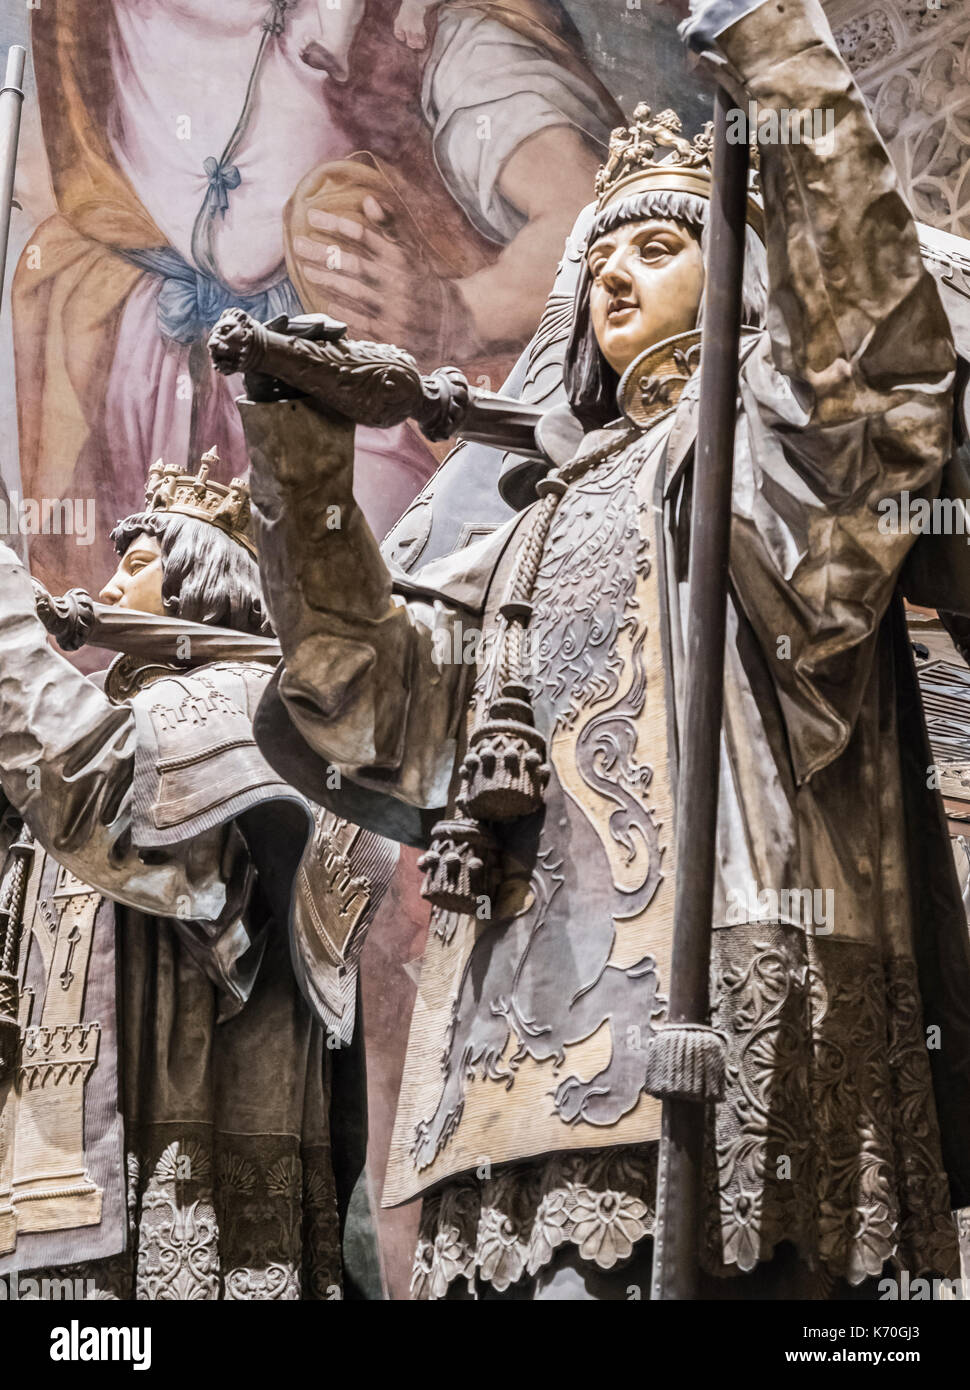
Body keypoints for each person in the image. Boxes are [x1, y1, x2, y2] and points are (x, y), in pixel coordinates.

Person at [208, 0, 970, 1298]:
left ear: (736, 279)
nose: (613, 271)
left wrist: (775, 55)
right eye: (601, 256)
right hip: (501, 1079)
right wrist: (301, 456)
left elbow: (867, 381)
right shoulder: (516, 530)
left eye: (664, 244)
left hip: (715, 1034)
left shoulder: (749, 470)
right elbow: (367, 696)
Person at [13, 0, 620, 598]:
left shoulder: (429, 29)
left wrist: (457, 312)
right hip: (158, 371)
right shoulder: (84, 30)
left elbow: (595, 214)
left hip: (363, 406)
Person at [0, 457, 394, 1298]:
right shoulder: (135, 710)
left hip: (188, 1079)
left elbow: (95, 787)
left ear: (203, 581)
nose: (107, 586)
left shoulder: (238, 703)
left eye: (137, 565)